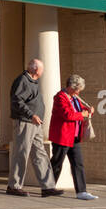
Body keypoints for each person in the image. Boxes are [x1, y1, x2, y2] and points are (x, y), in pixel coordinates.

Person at [7, 58, 60, 197]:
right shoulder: (22, 81)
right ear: (36, 69)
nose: (43, 71)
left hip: (35, 124)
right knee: (21, 153)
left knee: (40, 154)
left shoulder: (33, 82)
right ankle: (14, 186)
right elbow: (17, 101)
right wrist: (31, 115)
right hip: (25, 122)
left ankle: (48, 187)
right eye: (42, 69)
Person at [50, 74, 97, 200]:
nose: (79, 91)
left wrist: (88, 110)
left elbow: (80, 110)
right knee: (57, 162)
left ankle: (81, 191)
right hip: (63, 136)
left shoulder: (75, 97)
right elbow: (68, 115)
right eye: (78, 89)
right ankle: (48, 187)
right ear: (71, 87)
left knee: (78, 163)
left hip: (74, 136)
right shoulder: (60, 97)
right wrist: (82, 114)